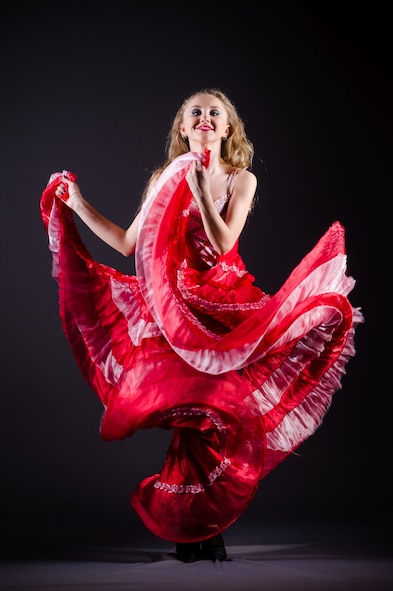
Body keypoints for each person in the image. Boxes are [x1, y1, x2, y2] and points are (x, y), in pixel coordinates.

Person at [40, 88, 363, 563]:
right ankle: (195, 532)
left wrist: (197, 189)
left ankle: (198, 528)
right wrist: (79, 204)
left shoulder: (241, 180)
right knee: (193, 413)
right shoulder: (163, 179)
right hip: (176, 310)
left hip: (225, 309)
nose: (206, 118)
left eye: (216, 113)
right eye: (197, 112)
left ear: (227, 128)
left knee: (221, 414)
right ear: (184, 128)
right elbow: (130, 244)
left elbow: (224, 238)